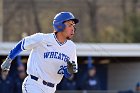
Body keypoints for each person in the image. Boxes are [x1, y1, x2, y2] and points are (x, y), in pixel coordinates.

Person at [1, 12, 79, 93]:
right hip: (34, 84)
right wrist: (9, 59)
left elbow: (68, 74)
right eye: (70, 25)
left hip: (51, 89)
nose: (73, 28)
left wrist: (69, 71)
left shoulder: (71, 47)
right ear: (60, 25)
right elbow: (23, 44)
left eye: (73, 25)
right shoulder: (42, 39)